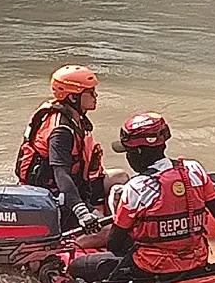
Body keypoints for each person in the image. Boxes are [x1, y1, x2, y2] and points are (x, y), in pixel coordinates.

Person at [68, 112, 215, 283]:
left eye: (128, 152)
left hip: (151, 268)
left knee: (78, 266)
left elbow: (114, 244)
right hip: (196, 261)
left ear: (138, 152)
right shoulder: (194, 170)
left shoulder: (136, 188)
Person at [14, 64, 129, 235]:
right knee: (107, 233)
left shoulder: (75, 118)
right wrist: (82, 211)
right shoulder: (61, 132)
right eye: (90, 92)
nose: (95, 96)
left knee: (120, 176)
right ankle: (68, 244)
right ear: (73, 97)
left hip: (78, 184)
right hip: (54, 196)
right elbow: (61, 176)